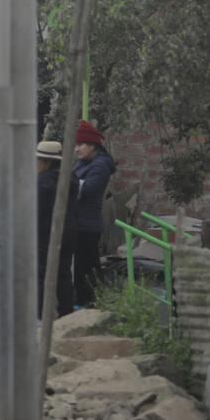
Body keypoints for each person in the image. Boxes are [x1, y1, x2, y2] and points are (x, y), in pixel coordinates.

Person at [72, 120, 116, 307]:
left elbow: (88, 190)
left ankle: (89, 303)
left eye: (80, 144)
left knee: (87, 268)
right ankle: (90, 301)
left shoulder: (100, 165)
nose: (76, 149)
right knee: (85, 268)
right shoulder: (83, 163)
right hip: (77, 223)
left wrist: (65, 182)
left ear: (92, 145)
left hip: (87, 225)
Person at [36, 139, 77, 319]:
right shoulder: (72, 179)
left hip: (45, 235)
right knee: (64, 275)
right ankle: (67, 314)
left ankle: (41, 315)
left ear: (45, 162)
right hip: (68, 232)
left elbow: (38, 212)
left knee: (41, 274)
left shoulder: (42, 183)